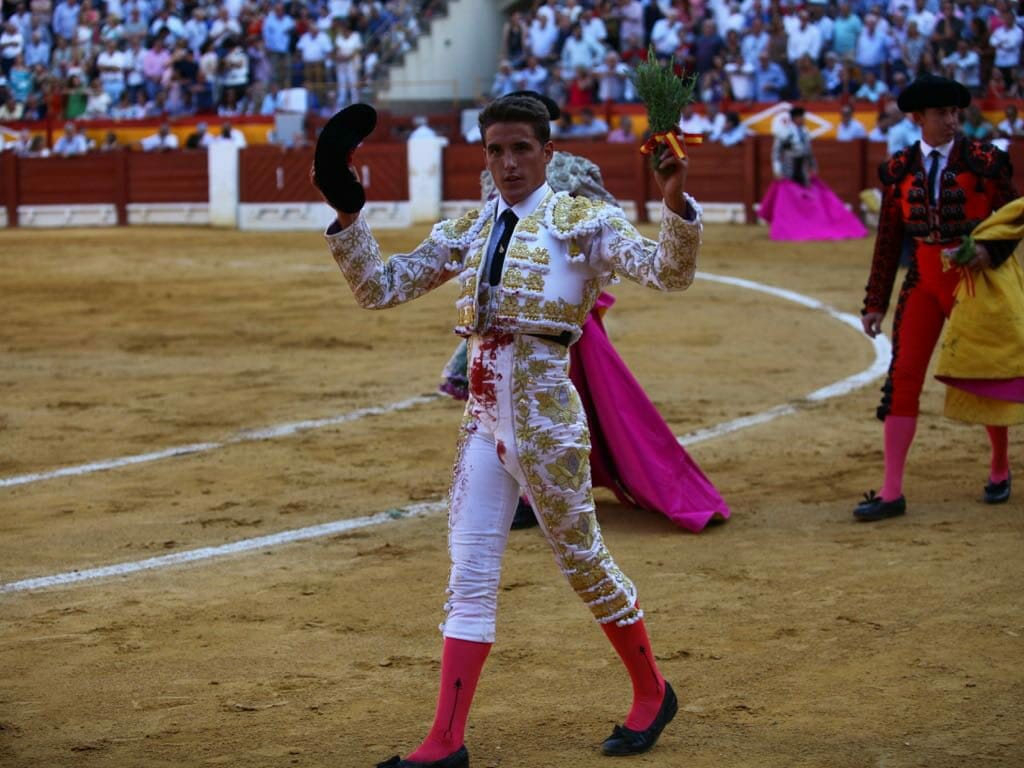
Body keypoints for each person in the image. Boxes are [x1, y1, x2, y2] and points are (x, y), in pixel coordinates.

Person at [316, 92, 701, 767]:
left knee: (583, 561)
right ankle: (444, 742)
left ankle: (652, 690)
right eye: (496, 150)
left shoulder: (581, 221)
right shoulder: (469, 227)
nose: (509, 163)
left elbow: (669, 273)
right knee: (468, 574)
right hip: (482, 418)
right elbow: (379, 286)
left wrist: (674, 200)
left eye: (522, 148)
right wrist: (349, 214)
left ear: (547, 153)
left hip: (548, 421)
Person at [855, 73, 1019, 521]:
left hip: (975, 284)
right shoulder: (898, 169)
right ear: (917, 118)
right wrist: (875, 301)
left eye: (954, 112)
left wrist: (988, 251)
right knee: (903, 377)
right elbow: (889, 240)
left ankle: (999, 467)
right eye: (941, 113)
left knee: (986, 373)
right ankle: (891, 491)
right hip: (924, 282)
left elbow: (1014, 219)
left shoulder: (986, 161)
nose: (951, 120)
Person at [758, 106, 868, 241]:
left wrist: (813, 167)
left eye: (802, 117)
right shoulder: (784, 133)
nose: (802, 119)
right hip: (788, 170)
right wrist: (777, 170)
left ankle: (803, 225)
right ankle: (791, 226)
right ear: (794, 119)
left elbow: (809, 152)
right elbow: (776, 153)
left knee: (804, 198)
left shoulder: (805, 132)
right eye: (800, 117)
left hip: (802, 170)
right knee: (790, 201)